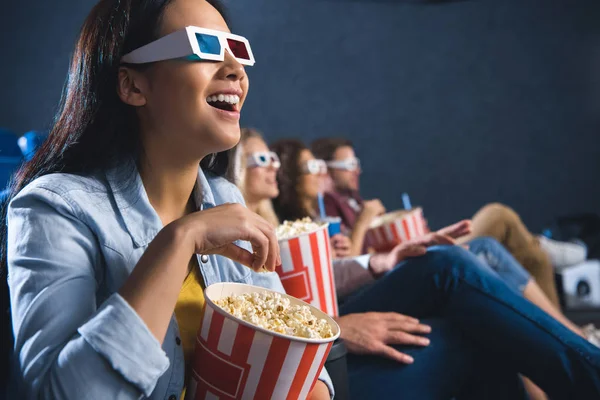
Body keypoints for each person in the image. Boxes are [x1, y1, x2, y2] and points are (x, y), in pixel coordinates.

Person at [2, 1, 334, 399]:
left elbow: (293, 353)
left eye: (237, 50)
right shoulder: (52, 207)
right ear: (133, 85)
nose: (236, 70)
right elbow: (60, 392)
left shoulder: (227, 197)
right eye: (206, 47)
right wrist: (180, 240)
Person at [235, 131, 600, 399]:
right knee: (472, 258)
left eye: (275, 160)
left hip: (328, 324)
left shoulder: (268, 218)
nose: (273, 168)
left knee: (458, 264)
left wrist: (382, 259)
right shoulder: (235, 224)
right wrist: (337, 327)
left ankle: (577, 349)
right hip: (315, 350)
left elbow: (313, 280)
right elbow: (256, 321)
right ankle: (583, 356)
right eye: (262, 160)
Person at [310, 137, 587, 307]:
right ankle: (534, 241)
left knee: (534, 258)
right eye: (347, 165)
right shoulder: (326, 208)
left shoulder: (353, 200)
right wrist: (365, 221)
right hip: (400, 268)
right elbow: (352, 265)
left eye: (356, 162)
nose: (357, 169)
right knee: (497, 216)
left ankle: (535, 246)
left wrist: (413, 231)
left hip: (407, 253)